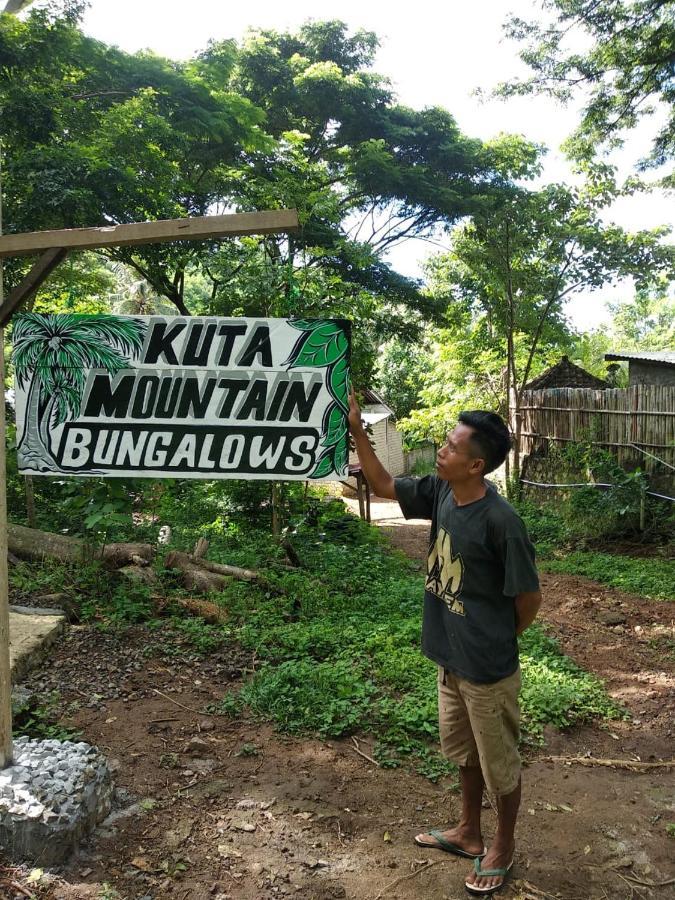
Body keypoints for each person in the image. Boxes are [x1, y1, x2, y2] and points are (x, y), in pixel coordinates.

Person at [348, 392, 542, 897]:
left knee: (499, 763)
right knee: (464, 752)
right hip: (450, 658)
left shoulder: (503, 523)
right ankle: (469, 832)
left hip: (487, 667)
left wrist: (495, 641)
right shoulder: (440, 492)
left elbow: (529, 598)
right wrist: (357, 432)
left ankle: (502, 845)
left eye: (453, 447)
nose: (442, 450)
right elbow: (385, 484)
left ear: (476, 465)